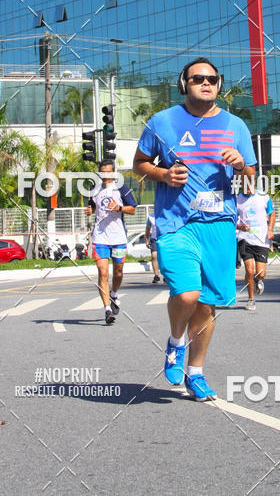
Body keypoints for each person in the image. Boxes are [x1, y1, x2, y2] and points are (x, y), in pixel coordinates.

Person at [133, 57, 256, 401]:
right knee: (187, 294)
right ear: (183, 84)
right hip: (176, 223)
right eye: (198, 78)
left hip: (219, 224)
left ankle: (196, 372)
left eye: (212, 79)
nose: (206, 83)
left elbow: (251, 184)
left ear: (219, 84)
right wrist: (164, 174)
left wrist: (242, 165)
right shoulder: (162, 122)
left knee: (206, 305)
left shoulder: (236, 126)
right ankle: (175, 343)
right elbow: (138, 165)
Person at [86, 160, 137, 324]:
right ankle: (107, 309)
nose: (105, 177)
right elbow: (92, 206)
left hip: (119, 238)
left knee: (118, 272)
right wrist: (89, 210)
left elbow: (133, 209)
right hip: (100, 238)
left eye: (108, 173)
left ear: (114, 173)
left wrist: (120, 208)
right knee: (103, 272)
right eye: (102, 173)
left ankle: (114, 293)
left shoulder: (121, 189)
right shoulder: (95, 190)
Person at [236, 188, 275, 311]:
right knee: (250, 270)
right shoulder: (237, 199)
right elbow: (231, 218)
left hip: (262, 240)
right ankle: (251, 299)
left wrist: (270, 230)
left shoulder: (264, 196)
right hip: (245, 238)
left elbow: (272, 213)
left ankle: (259, 280)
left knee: (261, 273)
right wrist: (240, 226)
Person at [145, 213, 162, 283]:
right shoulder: (151, 217)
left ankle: (166, 276)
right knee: (154, 256)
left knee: (164, 257)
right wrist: (146, 240)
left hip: (164, 238)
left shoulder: (166, 214)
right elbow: (147, 229)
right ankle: (156, 275)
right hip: (154, 239)